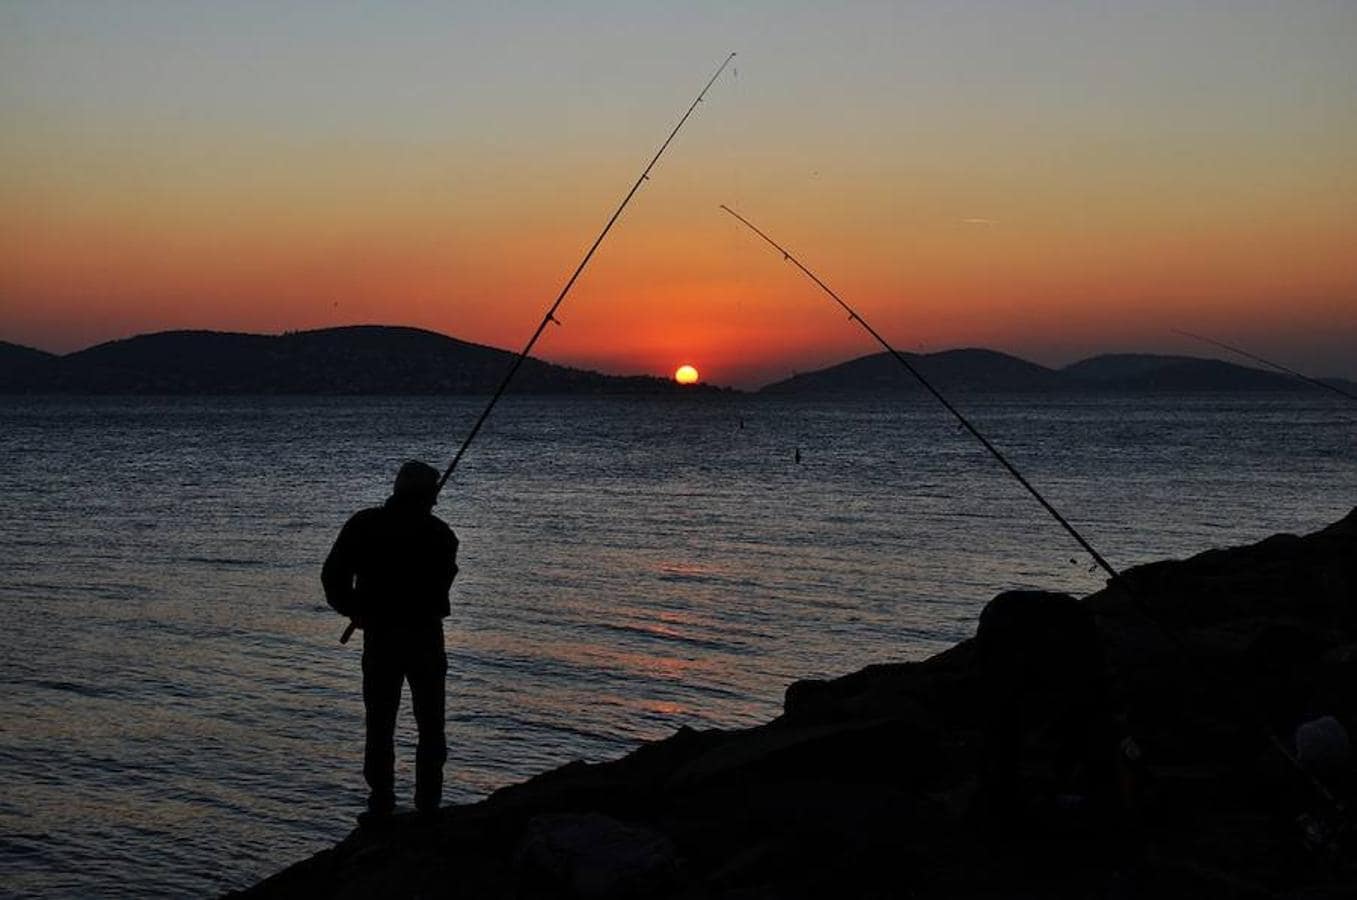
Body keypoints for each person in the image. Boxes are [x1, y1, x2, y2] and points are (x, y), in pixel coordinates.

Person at [322, 460, 459, 823]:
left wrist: (355, 610)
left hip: (382, 638)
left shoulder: (363, 525)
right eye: (431, 496)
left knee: (380, 723)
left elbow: (333, 578)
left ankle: (381, 800)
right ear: (428, 496)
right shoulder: (441, 535)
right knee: (431, 724)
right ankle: (429, 804)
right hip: (424, 639)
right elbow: (440, 588)